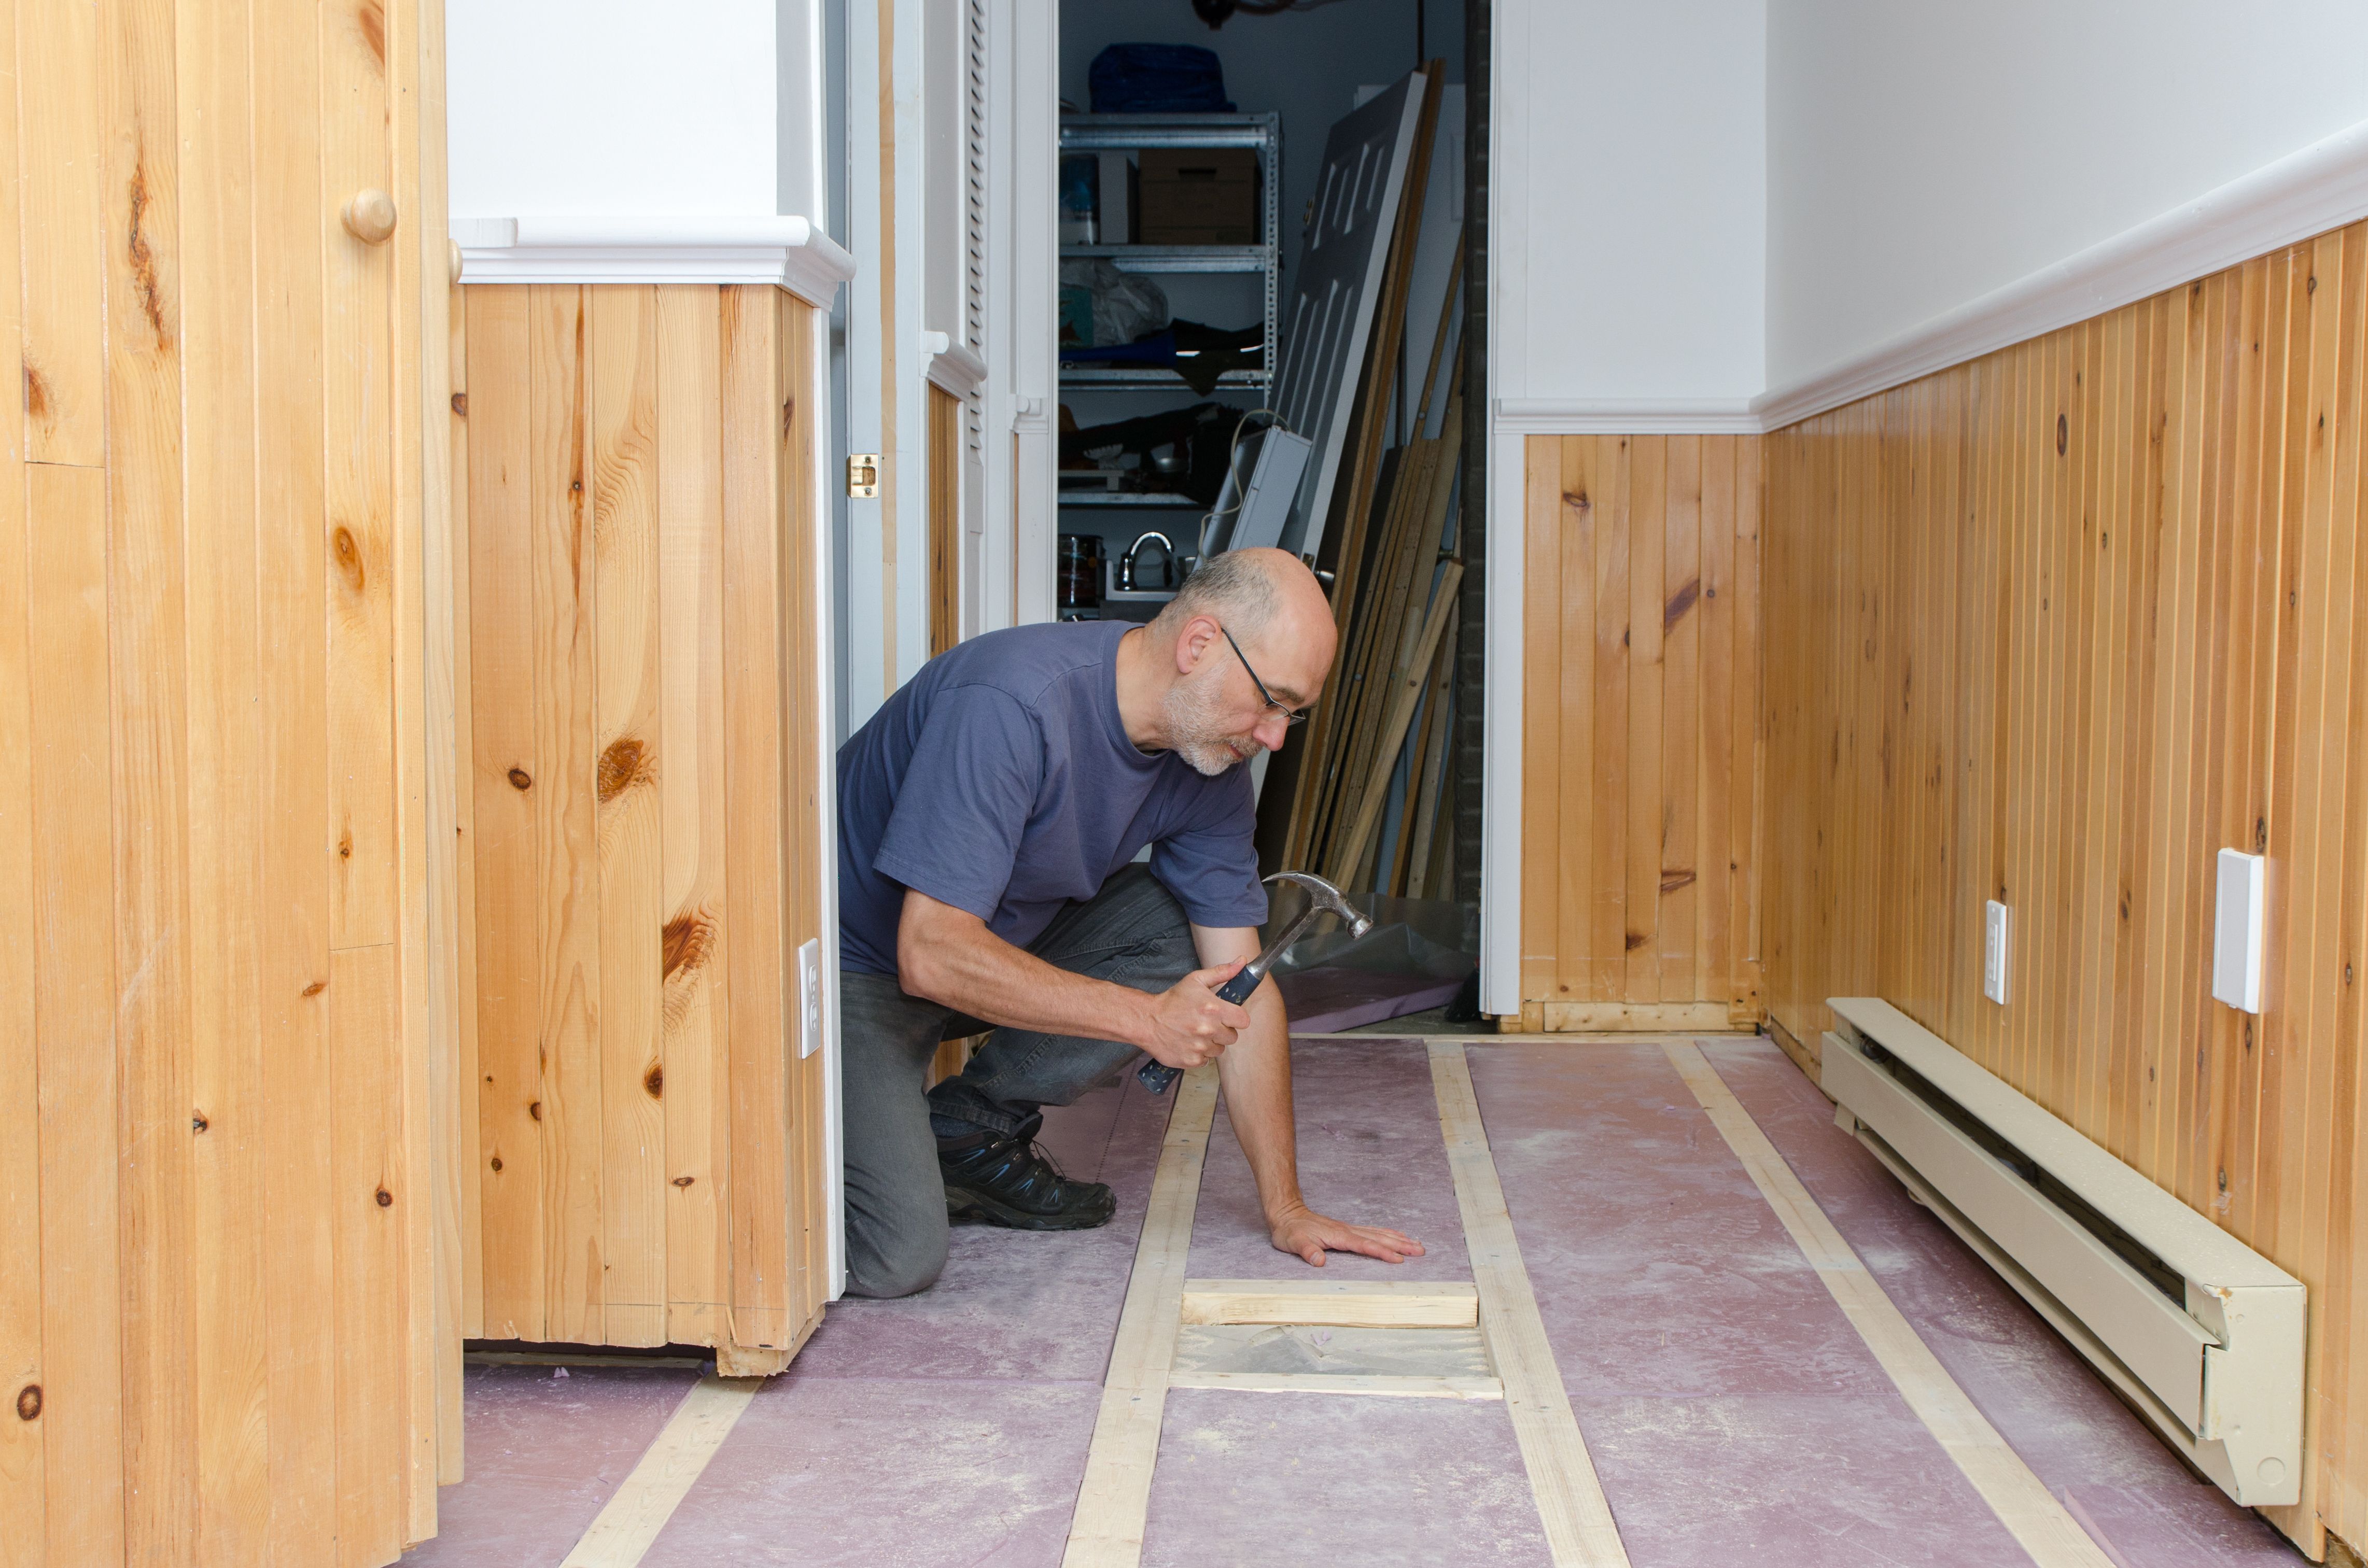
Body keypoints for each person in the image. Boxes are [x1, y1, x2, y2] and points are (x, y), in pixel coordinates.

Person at [834, 547, 1425, 1297]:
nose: (1275, 735)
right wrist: (1149, 1019)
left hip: (984, 954)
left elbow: (1246, 987)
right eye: (1272, 700)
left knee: (1190, 939)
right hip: (861, 970)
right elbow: (931, 953)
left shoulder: (1209, 765)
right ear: (1199, 644)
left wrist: (1288, 1207)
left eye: (1292, 714)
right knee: (899, 1255)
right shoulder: (1012, 703)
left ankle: (969, 1125)